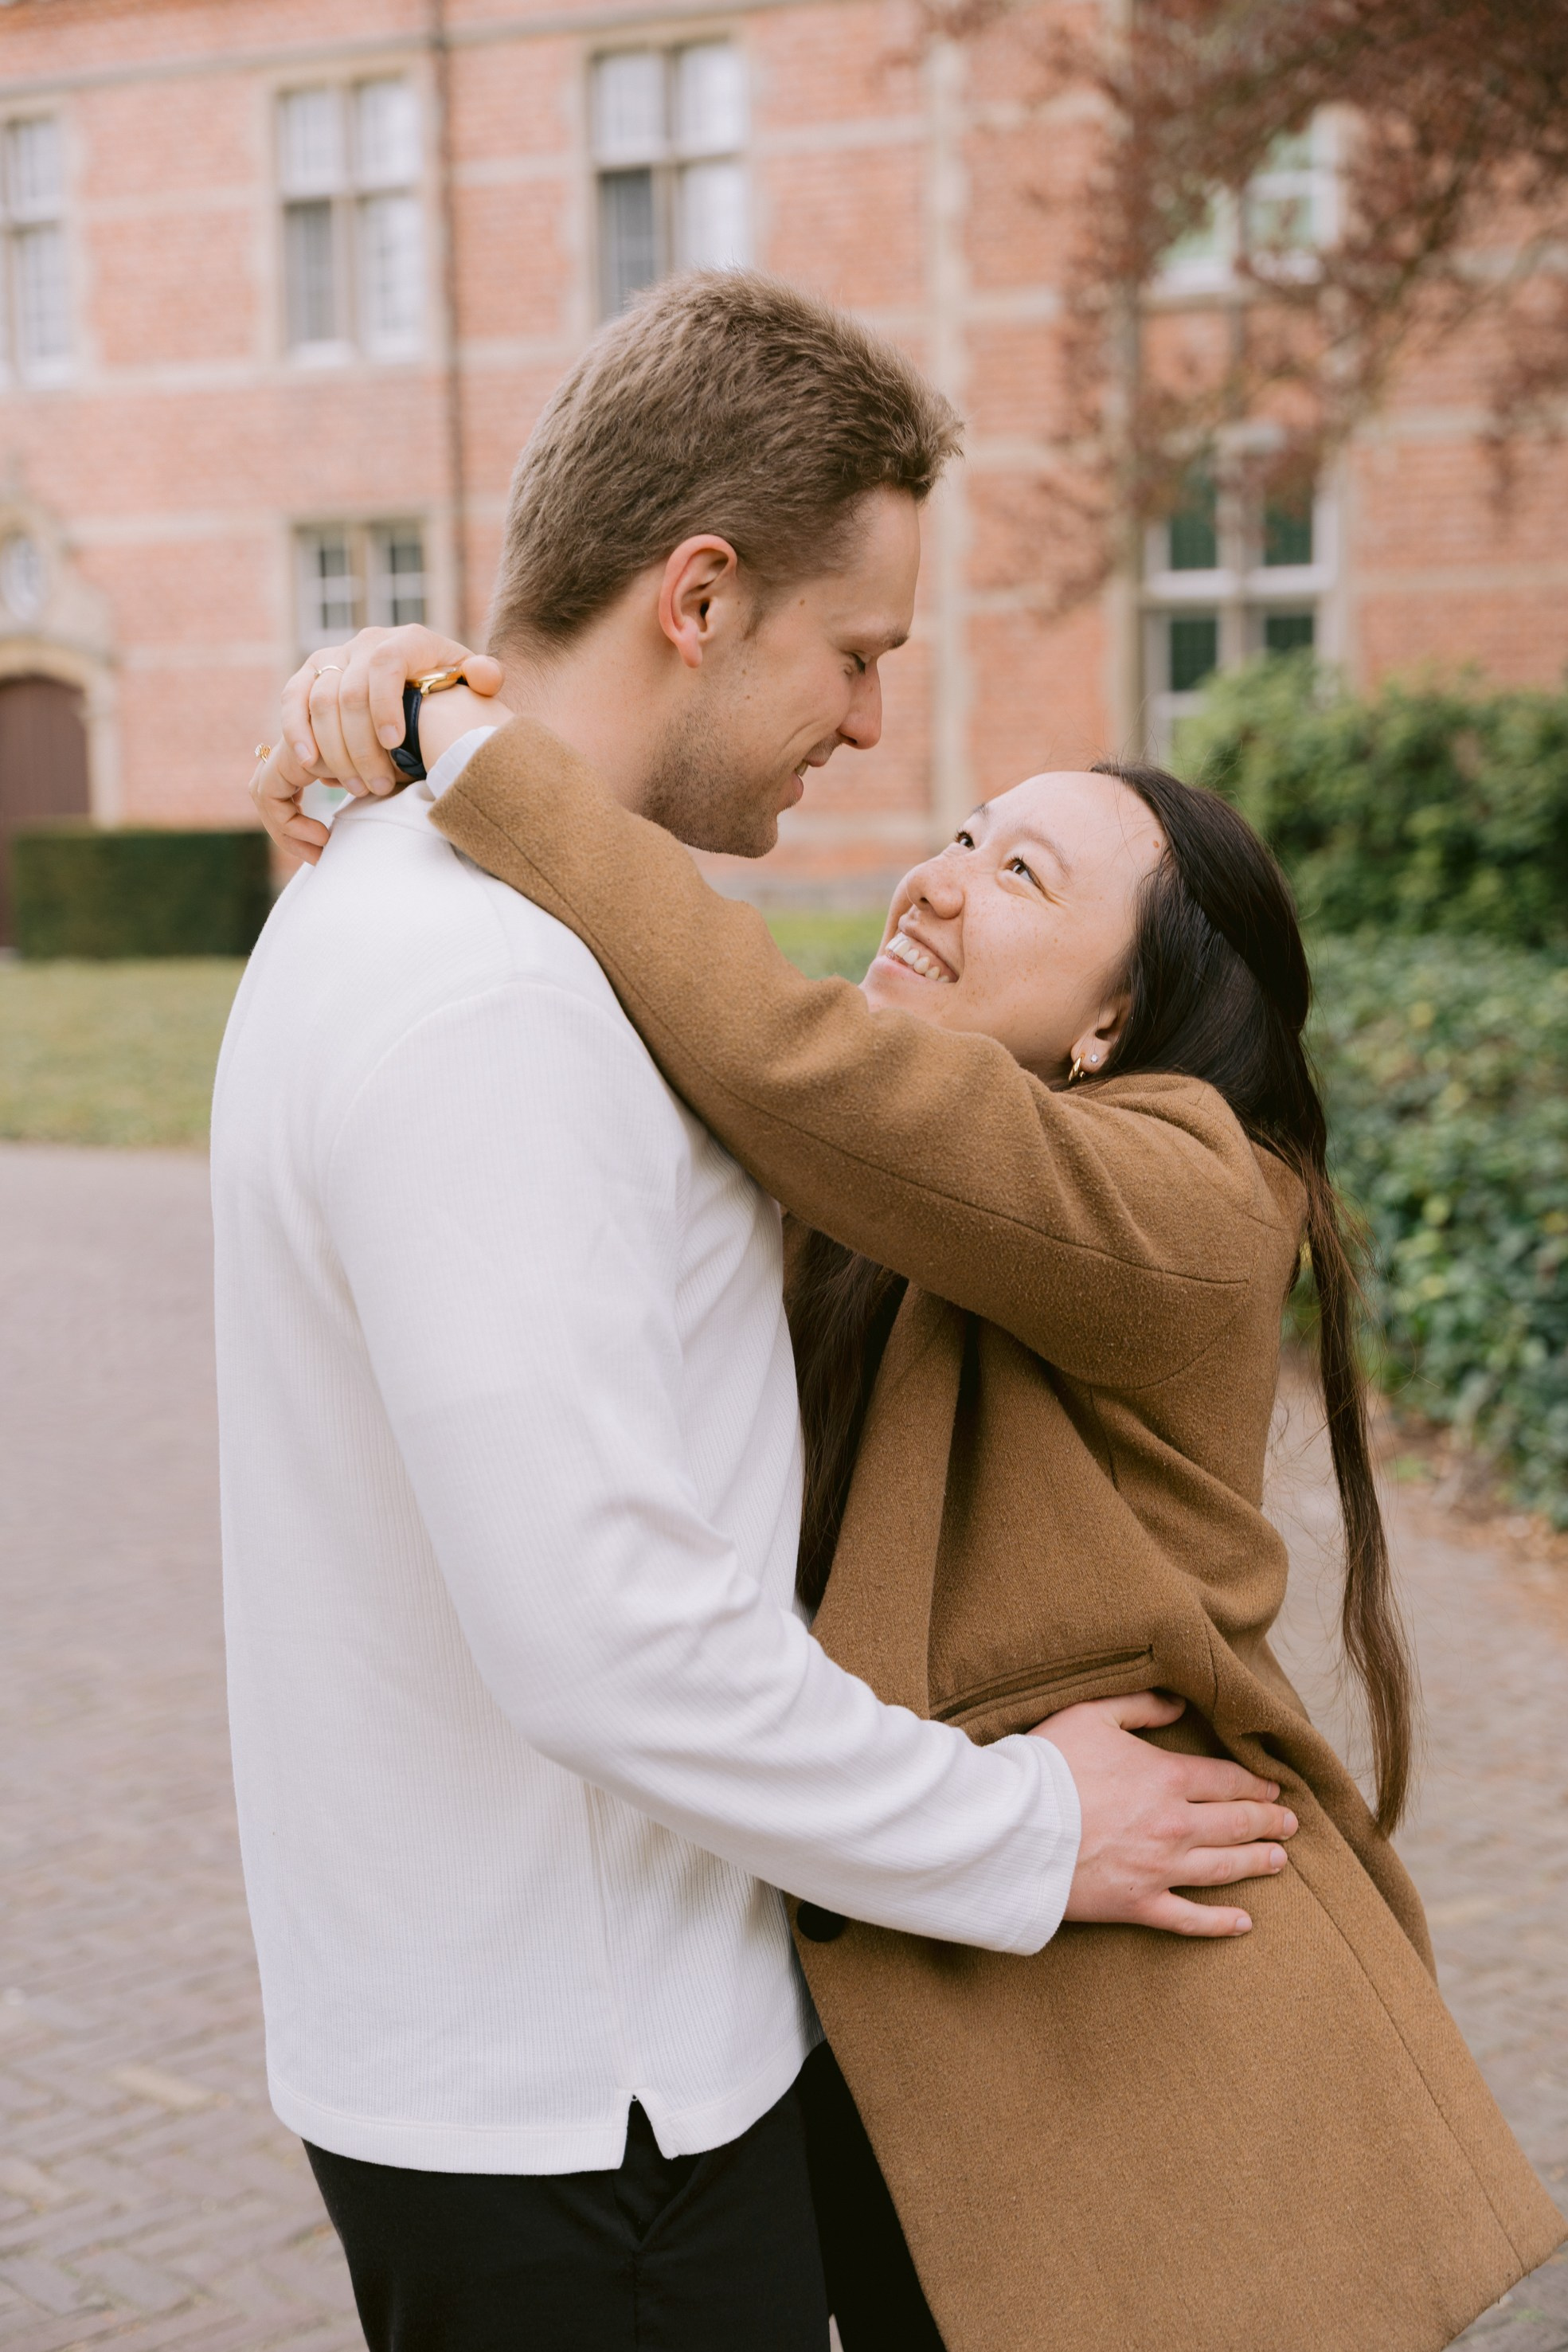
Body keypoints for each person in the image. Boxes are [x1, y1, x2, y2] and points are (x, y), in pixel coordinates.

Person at [221, 271, 1298, 2352]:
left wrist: (423, 725)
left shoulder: (452, 924)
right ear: (699, 600)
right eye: (861, 653)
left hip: (556, 2036)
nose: (880, 731)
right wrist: (1022, 1830)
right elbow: (613, 1629)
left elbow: (801, 1077)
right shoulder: (492, 995)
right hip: (592, 2092)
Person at [260, 678, 1564, 2350]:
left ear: (1115, 1024)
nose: (936, 878)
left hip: (1148, 2018)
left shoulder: (1193, 1194)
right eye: (960, 835)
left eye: (1023, 876)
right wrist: (364, 701)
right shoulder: (891, 1198)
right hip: (923, 2003)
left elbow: (774, 1050)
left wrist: (486, 751)